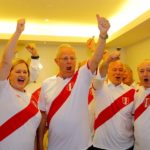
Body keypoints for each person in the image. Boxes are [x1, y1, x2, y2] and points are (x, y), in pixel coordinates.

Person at [38, 14, 110, 150]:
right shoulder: (47, 83)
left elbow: (95, 59)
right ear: (56, 61)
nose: (69, 61)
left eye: (72, 58)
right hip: (55, 146)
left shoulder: (82, 76)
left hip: (82, 146)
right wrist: (40, 143)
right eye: (65, 58)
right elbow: (43, 116)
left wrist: (102, 35)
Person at [0, 19, 41, 150]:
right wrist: (18, 32)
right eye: (18, 71)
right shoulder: (4, 89)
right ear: (9, 75)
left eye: (25, 72)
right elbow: (6, 62)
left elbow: (31, 131)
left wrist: (35, 56)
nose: (22, 74)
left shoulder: (31, 97)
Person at [91, 52, 135, 150]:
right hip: (101, 145)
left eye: (120, 70)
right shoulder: (99, 88)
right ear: (108, 71)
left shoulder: (131, 91)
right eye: (114, 69)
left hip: (126, 146)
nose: (118, 72)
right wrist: (107, 60)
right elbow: (100, 74)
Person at [134, 60, 150, 150]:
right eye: (142, 71)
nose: (145, 74)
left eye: (149, 70)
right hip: (138, 145)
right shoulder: (134, 92)